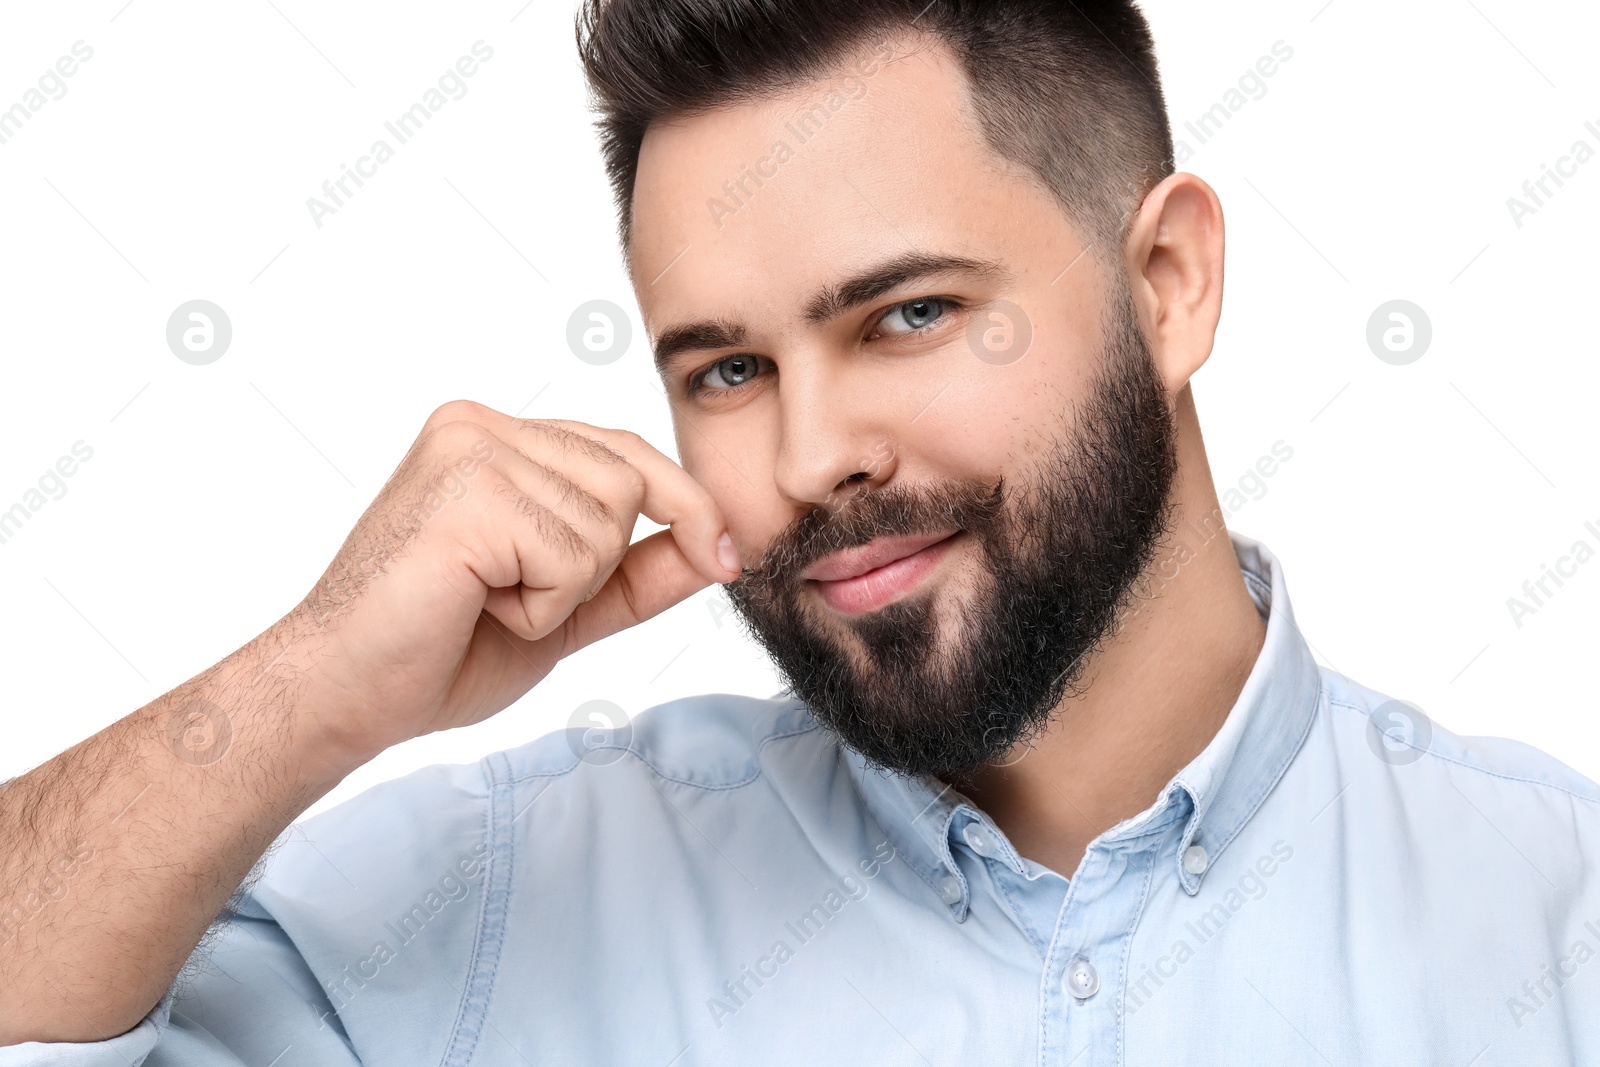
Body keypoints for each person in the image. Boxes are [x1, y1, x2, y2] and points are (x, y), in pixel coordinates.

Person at [3, 0, 1597, 1062]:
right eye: (730, 368)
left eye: (908, 314)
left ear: (1167, 283)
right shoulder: (489, 906)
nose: (811, 453)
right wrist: (313, 686)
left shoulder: (1557, 918)